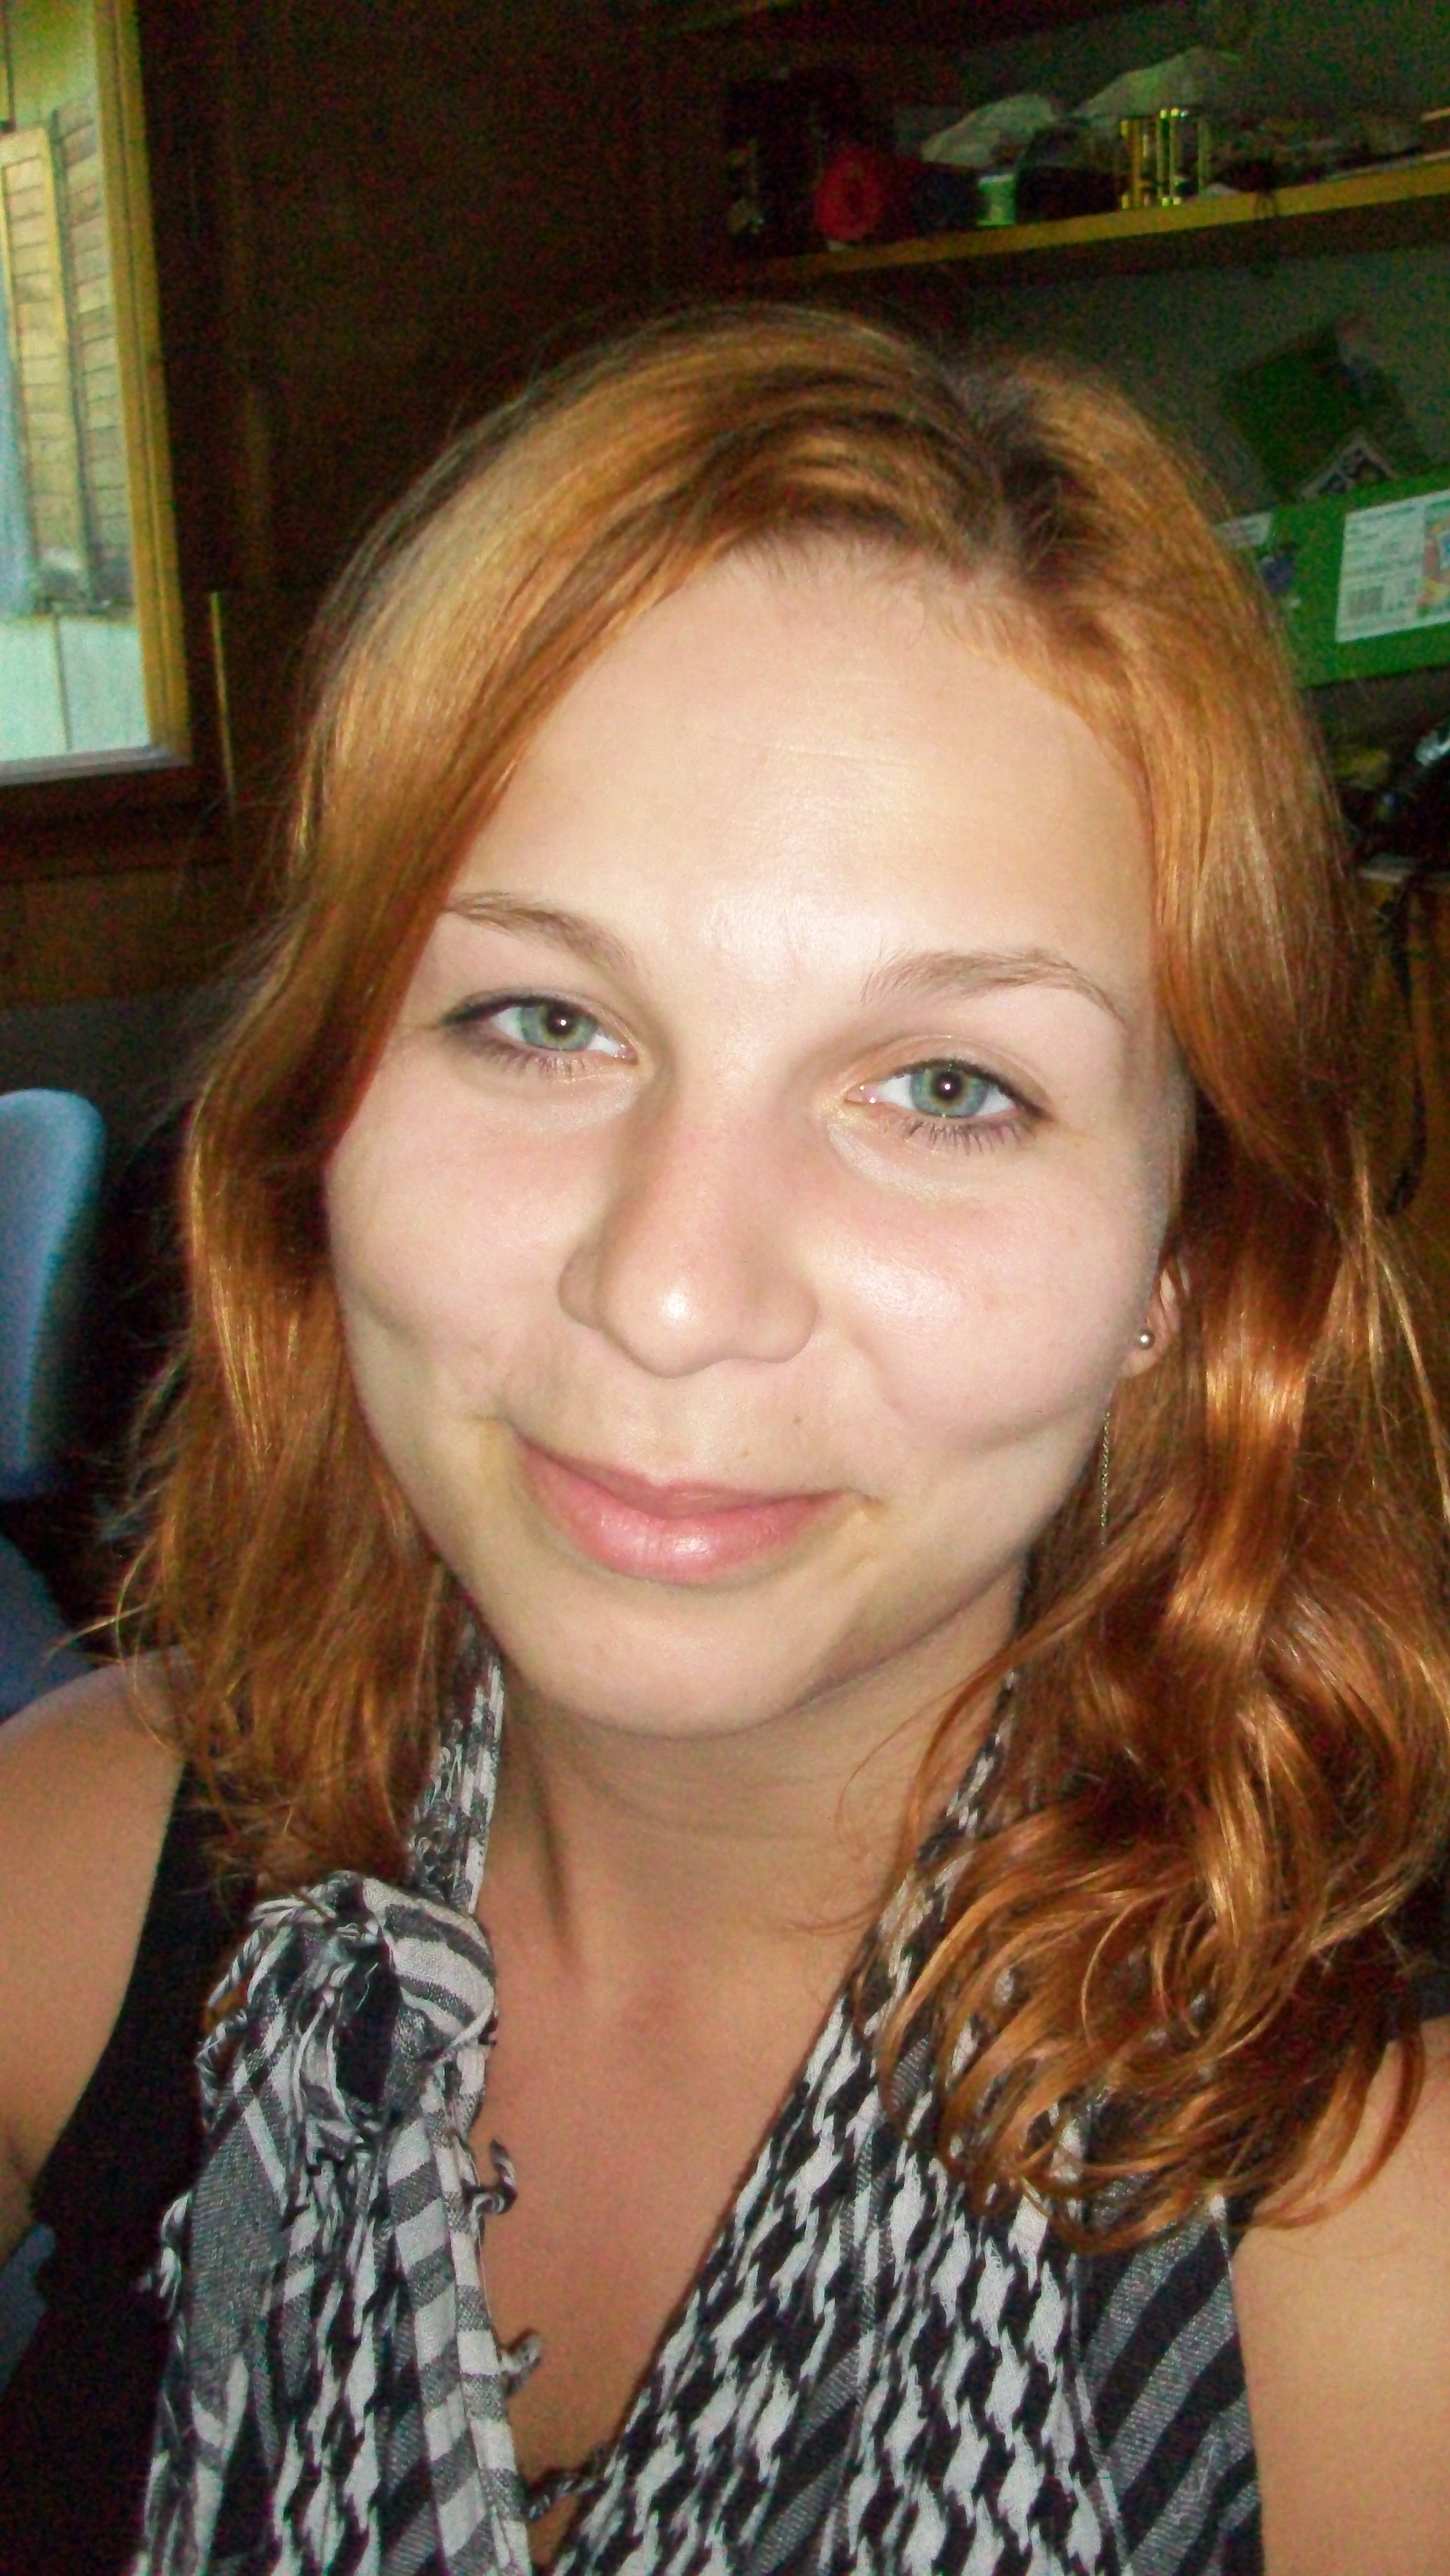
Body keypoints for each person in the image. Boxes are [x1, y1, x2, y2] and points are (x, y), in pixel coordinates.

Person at [0, 305, 1446, 2576]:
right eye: (540, 1019)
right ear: (320, 1111)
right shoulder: (71, 1884)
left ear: (1185, 1259)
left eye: (948, 1088)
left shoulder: (1376, 2274)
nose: (673, 1291)